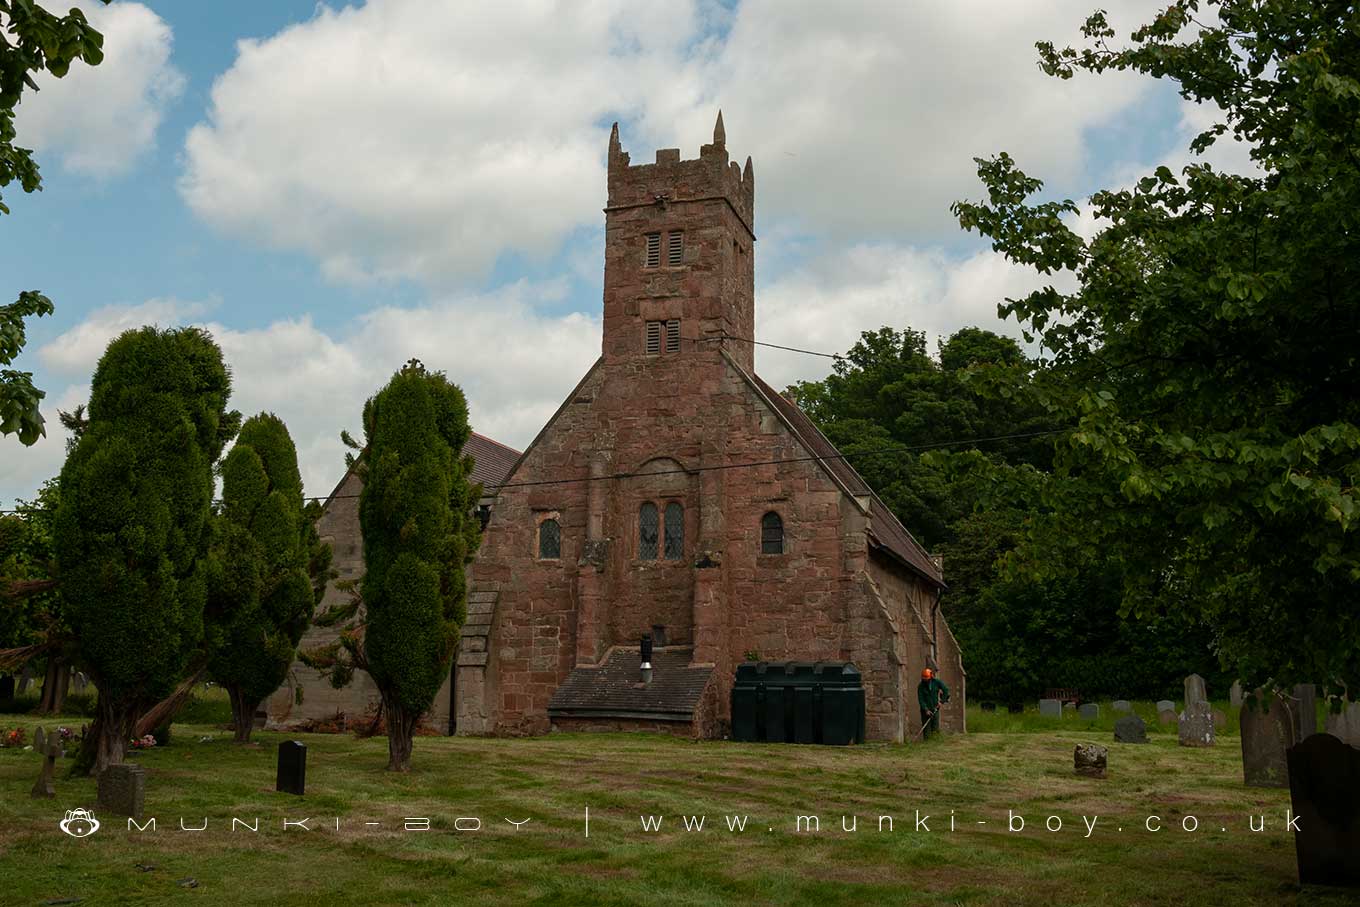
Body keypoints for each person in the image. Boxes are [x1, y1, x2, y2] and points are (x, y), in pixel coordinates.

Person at [917, 667, 950, 740]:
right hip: (925, 711)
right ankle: (927, 743)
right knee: (926, 730)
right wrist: (926, 710)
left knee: (935, 728)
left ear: (931, 677)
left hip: (935, 708)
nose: (925, 680)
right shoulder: (920, 686)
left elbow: (946, 690)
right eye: (924, 679)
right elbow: (921, 699)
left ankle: (935, 742)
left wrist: (941, 701)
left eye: (927, 679)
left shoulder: (937, 682)